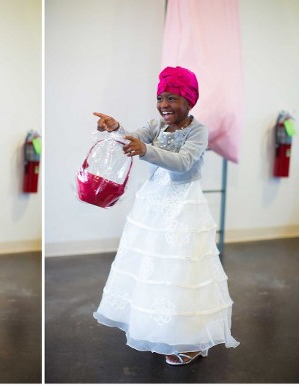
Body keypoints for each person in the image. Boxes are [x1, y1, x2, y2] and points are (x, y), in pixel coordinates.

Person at [90, 66, 239, 366]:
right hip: (153, 201)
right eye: (160, 98)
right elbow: (133, 139)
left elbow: (184, 162)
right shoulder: (156, 126)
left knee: (181, 271)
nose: (164, 105)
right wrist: (116, 128)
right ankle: (159, 327)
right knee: (153, 264)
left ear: (189, 102)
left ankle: (190, 337)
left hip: (183, 205)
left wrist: (145, 150)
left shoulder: (198, 130)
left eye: (171, 98)